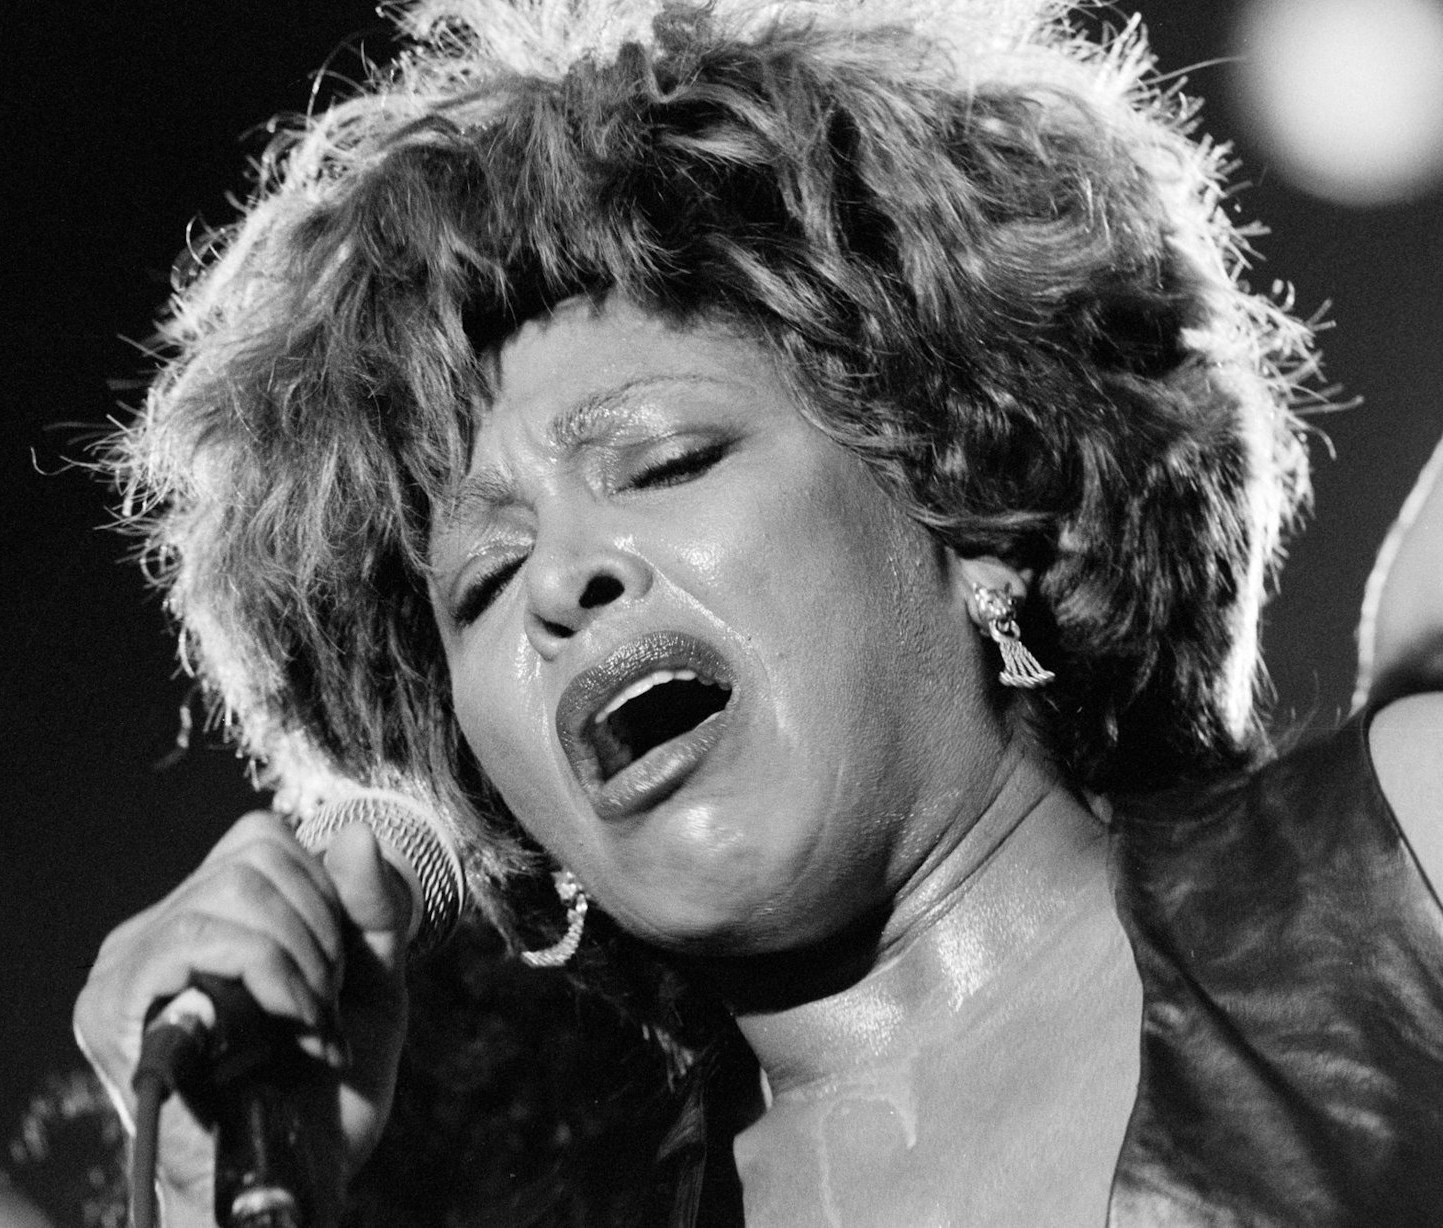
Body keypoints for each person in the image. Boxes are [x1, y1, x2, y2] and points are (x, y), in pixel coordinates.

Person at [73, 1, 1443, 1224]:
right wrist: (216, 1197)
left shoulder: (1398, 869)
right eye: (481, 583)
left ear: (974, 495)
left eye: (666, 464)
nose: (559, 583)